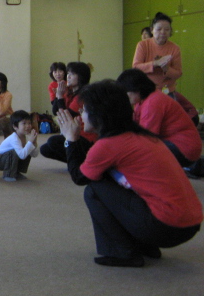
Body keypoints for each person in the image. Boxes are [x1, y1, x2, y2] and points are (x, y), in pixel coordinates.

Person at [59, 80, 202, 267]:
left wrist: (70, 140)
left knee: (94, 189)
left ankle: (124, 252)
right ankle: (144, 246)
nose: (80, 115)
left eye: (84, 110)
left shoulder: (110, 144)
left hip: (167, 226)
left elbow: (79, 177)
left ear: (99, 114)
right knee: (107, 179)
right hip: (188, 223)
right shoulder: (140, 135)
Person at [117, 68, 202, 175]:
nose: (124, 97)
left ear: (136, 89)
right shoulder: (142, 100)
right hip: (180, 144)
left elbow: (146, 137)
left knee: (138, 154)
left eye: (125, 93)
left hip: (183, 147)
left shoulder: (152, 102)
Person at [40, 62, 95, 163]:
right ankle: (77, 160)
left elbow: (66, 117)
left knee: (52, 141)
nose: (68, 76)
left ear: (81, 77)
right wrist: (58, 95)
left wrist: (60, 96)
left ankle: (81, 160)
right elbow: (55, 111)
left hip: (85, 137)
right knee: (45, 149)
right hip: (73, 133)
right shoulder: (69, 91)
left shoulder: (83, 94)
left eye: (72, 74)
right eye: (68, 73)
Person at [133, 12, 182, 96]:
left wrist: (165, 67)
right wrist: (155, 63)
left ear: (170, 31)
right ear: (152, 30)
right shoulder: (143, 45)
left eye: (167, 29)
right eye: (159, 29)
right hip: (146, 90)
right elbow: (136, 67)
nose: (163, 32)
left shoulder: (175, 48)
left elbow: (178, 74)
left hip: (167, 91)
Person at [0, 110, 39, 182]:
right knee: (16, 151)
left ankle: (16, 172)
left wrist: (34, 142)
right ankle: (8, 174)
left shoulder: (27, 137)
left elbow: (34, 155)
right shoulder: (14, 138)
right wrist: (30, 142)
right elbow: (22, 155)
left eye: (29, 123)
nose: (28, 126)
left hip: (9, 158)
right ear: (15, 126)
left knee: (27, 148)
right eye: (24, 123)